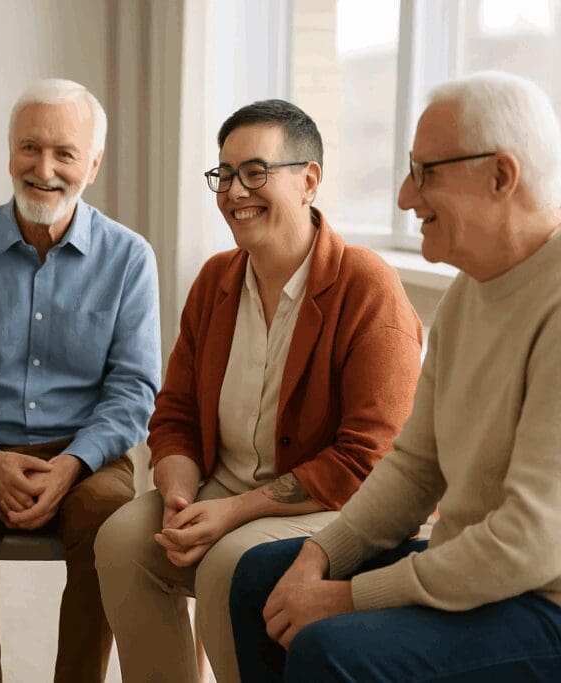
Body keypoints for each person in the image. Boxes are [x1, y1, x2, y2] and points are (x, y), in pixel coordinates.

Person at [228, 71, 561, 683]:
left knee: (330, 650)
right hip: (482, 574)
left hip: (545, 603)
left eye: (426, 171)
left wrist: (352, 597)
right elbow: (414, 467)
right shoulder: (469, 293)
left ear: (501, 176)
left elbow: (528, 544)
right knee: (260, 579)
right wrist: (322, 553)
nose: (406, 196)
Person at [94, 99, 423, 682]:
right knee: (122, 538)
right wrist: (177, 493)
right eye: (224, 175)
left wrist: (233, 512)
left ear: (309, 181)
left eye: (255, 172)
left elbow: (368, 459)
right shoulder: (215, 278)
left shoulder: (368, 287)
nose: (234, 192)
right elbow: (173, 415)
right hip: (219, 485)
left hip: (330, 505)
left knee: (228, 563)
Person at [0, 78, 161, 683]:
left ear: (93, 164)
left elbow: (133, 390)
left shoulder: (129, 258)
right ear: (9, 153)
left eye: (64, 153)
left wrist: (73, 465)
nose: (43, 168)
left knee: (112, 526)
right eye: (29, 148)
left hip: (89, 458)